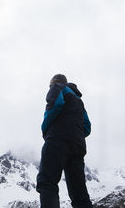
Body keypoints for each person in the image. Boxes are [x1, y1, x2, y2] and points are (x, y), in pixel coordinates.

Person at [36, 74, 92, 208]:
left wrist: (45, 129)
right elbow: (87, 126)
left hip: (57, 139)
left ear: (53, 83)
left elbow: (56, 104)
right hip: (78, 145)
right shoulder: (78, 100)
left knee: (47, 181)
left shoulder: (58, 87)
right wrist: (75, 134)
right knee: (79, 192)